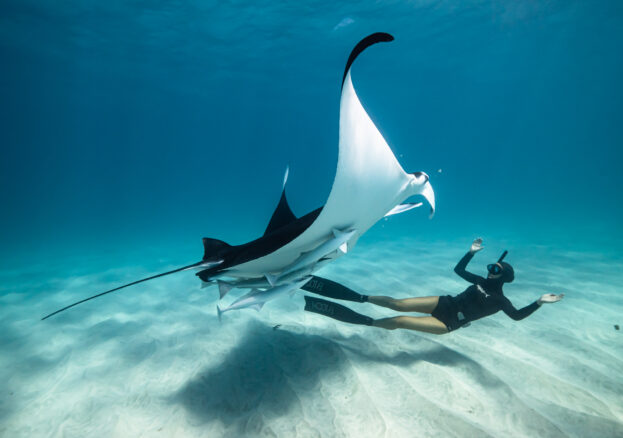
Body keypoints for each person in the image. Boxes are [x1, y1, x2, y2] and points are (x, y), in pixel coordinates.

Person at [302, 238, 563, 334]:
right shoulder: (481, 280)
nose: (489, 270)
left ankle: (368, 322)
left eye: (495, 269)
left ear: (503, 276)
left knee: (401, 320)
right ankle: (360, 298)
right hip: (446, 302)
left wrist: (539, 303)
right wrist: (471, 252)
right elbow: (459, 271)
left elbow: (517, 317)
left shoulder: (501, 301)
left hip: (450, 322)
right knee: (397, 303)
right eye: (490, 266)